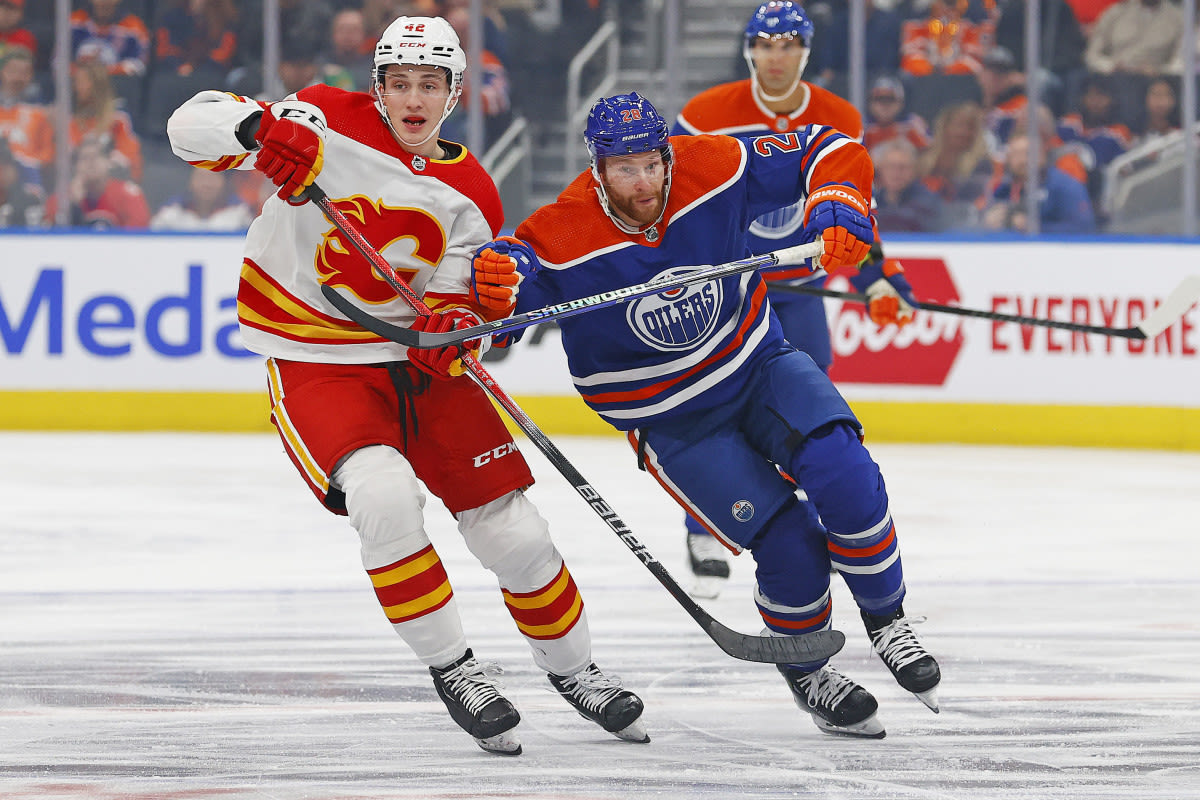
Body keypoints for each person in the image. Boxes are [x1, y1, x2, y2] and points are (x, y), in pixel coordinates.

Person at [164, 14, 646, 756]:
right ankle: (456, 668)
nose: (413, 99)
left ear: (455, 94)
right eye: (399, 83)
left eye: (430, 84)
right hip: (320, 359)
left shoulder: (472, 189)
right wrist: (258, 131)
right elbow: (188, 127)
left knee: (514, 532)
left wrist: (456, 328)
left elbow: (459, 300)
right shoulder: (321, 115)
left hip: (417, 367)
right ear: (377, 87)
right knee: (383, 496)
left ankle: (577, 670)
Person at [468, 91, 940, 739]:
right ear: (598, 170)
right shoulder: (560, 235)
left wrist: (838, 199)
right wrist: (494, 298)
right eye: (625, 169)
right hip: (674, 420)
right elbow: (510, 300)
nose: (645, 182)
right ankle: (809, 672)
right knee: (791, 542)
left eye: (652, 164)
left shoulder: (712, 168)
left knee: (845, 469)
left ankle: (889, 621)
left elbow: (830, 148)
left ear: (668, 154)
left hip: (758, 365)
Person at [670, 0, 919, 598]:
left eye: (788, 46)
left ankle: (810, 523)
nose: (776, 57)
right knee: (712, 405)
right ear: (749, 50)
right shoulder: (705, 115)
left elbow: (854, 210)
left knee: (809, 414)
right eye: (765, 44)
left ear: (805, 53)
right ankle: (705, 520)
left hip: (800, 290)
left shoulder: (838, 117)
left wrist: (879, 281)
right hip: (728, 291)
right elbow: (671, 198)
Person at [979, 131, 1096, 233]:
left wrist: (1036, 228)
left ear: (1042, 155)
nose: (1023, 160)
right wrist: (988, 221)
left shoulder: (1065, 186)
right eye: (1016, 154)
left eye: (1028, 153)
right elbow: (983, 217)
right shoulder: (1005, 188)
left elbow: (1084, 227)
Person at [44, 136, 149, 229]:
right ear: (75, 166)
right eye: (85, 158)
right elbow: (49, 232)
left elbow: (139, 234)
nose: (91, 162)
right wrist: (73, 205)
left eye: (97, 156)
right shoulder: (63, 198)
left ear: (108, 162)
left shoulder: (127, 194)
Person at [149, 166, 254, 231]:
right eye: (201, 177)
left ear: (223, 182)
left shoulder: (240, 213)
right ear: (190, 182)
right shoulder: (171, 213)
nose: (207, 184)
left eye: (213, 178)